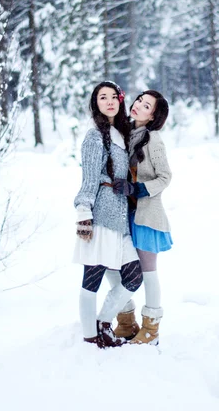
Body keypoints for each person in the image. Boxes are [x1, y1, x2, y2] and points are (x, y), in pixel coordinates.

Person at [73, 81, 143, 349]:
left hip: (120, 219)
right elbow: (89, 178)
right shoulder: (95, 136)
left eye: (114, 96)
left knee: (134, 276)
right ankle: (91, 337)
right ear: (96, 103)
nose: (110, 101)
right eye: (103, 97)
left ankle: (103, 322)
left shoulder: (121, 133)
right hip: (100, 214)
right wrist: (84, 212)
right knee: (92, 278)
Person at [109, 90, 172, 345]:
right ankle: (126, 322)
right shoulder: (127, 133)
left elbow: (165, 176)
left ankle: (151, 330)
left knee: (148, 273)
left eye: (146, 106)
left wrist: (139, 189)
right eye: (138, 100)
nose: (138, 106)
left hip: (147, 216)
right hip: (127, 215)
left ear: (153, 115)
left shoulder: (153, 140)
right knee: (118, 268)